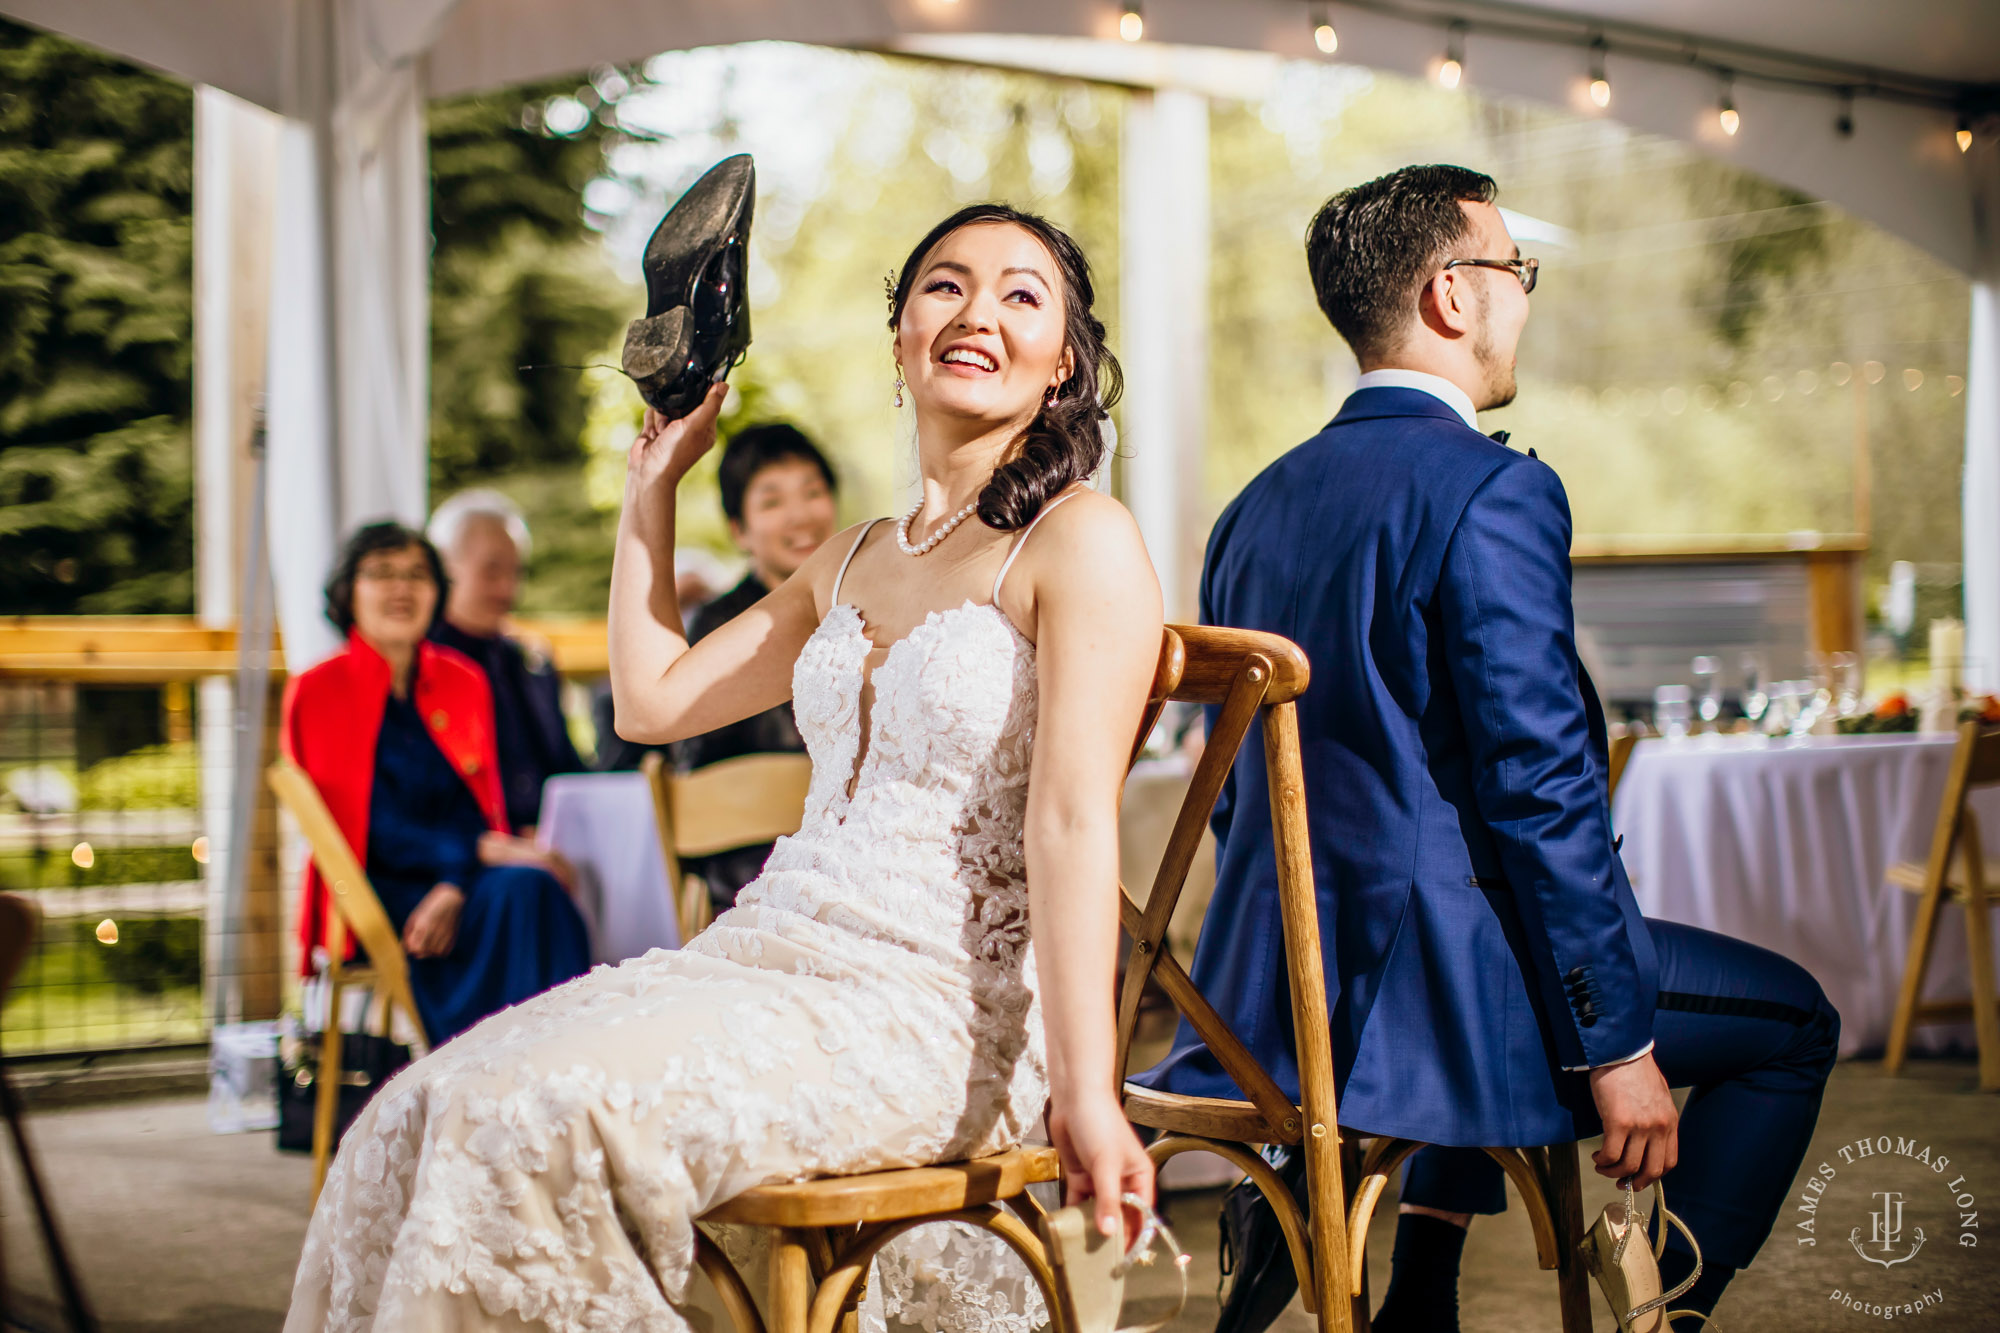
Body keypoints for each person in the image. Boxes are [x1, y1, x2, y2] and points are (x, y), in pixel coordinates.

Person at [287, 204, 1163, 1331]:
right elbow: (655, 700)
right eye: (944, 285)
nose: (976, 311)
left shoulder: (1079, 537)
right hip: (765, 953)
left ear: (1063, 369)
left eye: (1020, 294)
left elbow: (1076, 826)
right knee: (412, 1113)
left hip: (936, 999)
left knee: (528, 1127)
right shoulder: (851, 556)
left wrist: (1088, 1093)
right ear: (900, 335)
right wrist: (651, 483)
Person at [1135, 165, 1840, 1333]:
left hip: (1272, 1005)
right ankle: (1663, 1314)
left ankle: (1420, 1281)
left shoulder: (1250, 509)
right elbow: (1537, 787)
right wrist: (1614, 1043)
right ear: (1450, 297)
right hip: (1440, 1006)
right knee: (1795, 1022)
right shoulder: (1490, 490)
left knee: (1475, 888)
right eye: (1513, 271)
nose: (1523, 297)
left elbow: (1235, 795)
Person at [281, 520, 591, 1046]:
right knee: (524, 888)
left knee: (534, 887)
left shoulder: (462, 679)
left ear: (437, 591)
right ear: (347, 591)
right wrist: (475, 857)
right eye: (381, 573)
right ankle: (522, 1057)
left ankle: (551, 1056)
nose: (401, 588)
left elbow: (478, 804)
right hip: (378, 886)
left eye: (417, 574)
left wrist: (455, 879)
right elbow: (367, 827)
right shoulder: (319, 689)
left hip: (464, 874)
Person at [426, 489, 585, 832]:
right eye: (491, 571)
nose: (507, 590)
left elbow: (570, 772)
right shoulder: (419, 668)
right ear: (443, 567)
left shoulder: (532, 662)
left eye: (516, 572)